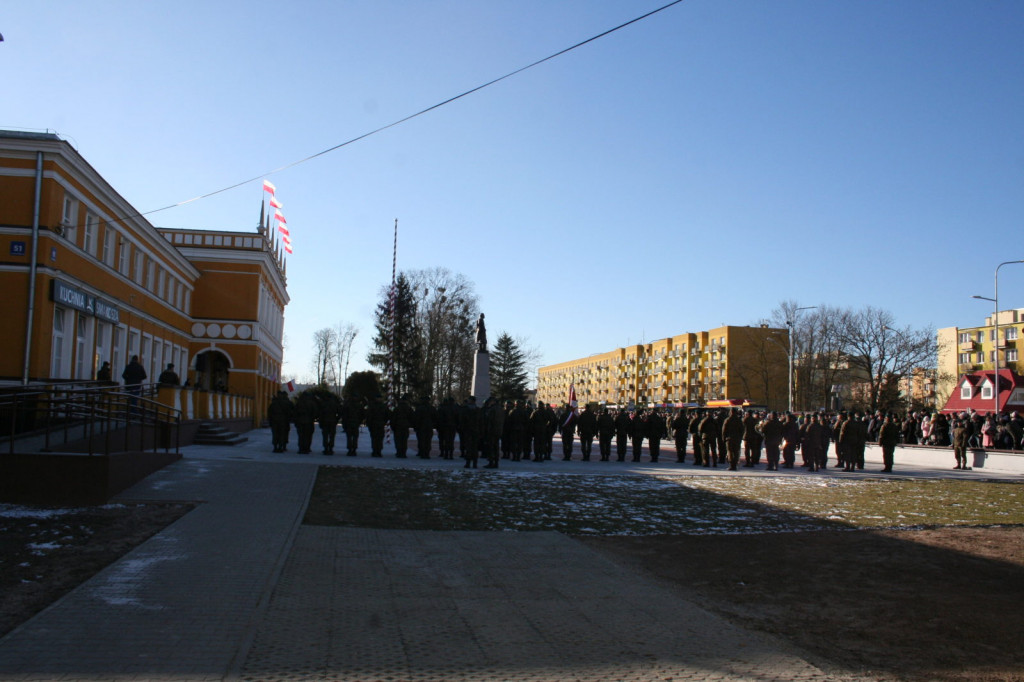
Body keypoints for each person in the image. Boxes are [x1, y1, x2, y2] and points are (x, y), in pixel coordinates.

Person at [318, 391, 341, 455]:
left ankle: (326, 448)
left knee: (325, 436)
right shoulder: (335, 403)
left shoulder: (323, 403)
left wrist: (320, 421)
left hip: (325, 421)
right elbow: (339, 412)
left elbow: (320, 413)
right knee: (332, 436)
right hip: (332, 421)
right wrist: (336, 419)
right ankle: (330, 448)